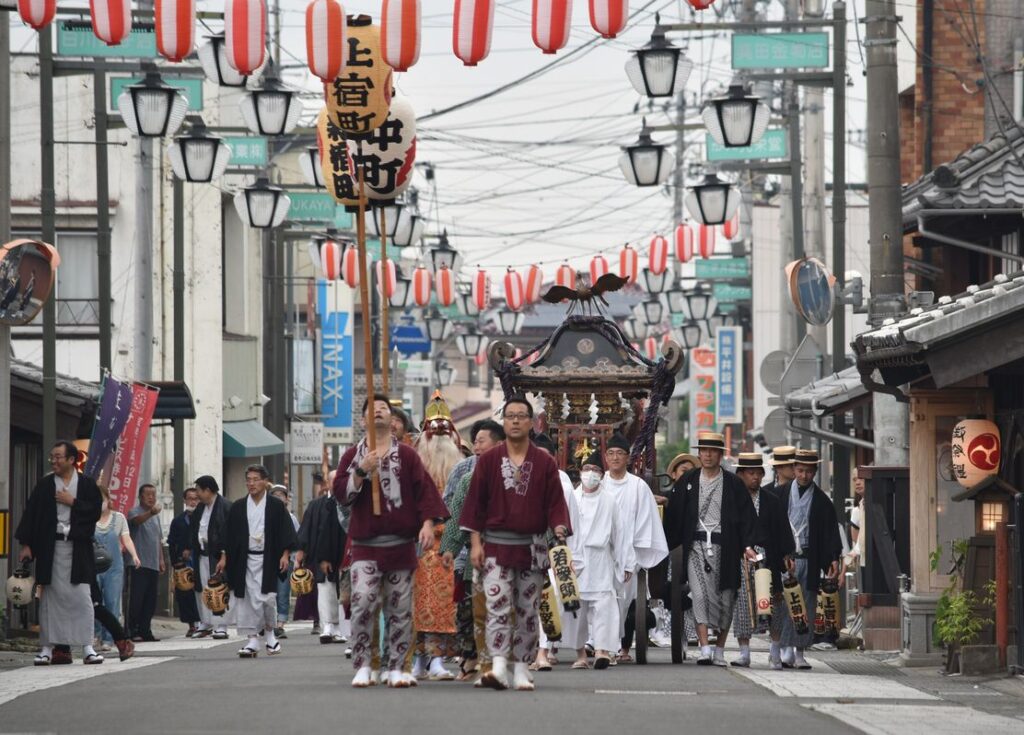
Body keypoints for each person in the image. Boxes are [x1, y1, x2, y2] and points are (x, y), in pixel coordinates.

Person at [333, 393, 448, 689]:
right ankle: (363, 664)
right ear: (363, 420)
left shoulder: (408, 455)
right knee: (363, 603)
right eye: (374, 410)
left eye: (385, 409)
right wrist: (361, 471)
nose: (380, 413)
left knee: (399, 608)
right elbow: (341, 495)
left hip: (400, 545)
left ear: (392, 419)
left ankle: (396, 665)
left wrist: (426, 524)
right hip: (365, 546)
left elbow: (424, 493)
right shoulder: (352, 455)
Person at [459, 395, 572, 692]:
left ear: (531, 422)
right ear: (504, 421)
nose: (516, 421)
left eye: (522, 416)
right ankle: (498, 666)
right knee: (497, 604)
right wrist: (475, 543)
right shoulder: (489, 461)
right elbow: (475, 506)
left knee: (527, 609)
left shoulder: (545, 463)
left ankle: (522, 667)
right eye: (511, 416)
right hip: (495, 546)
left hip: (532, 547)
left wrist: (559, 525)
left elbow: (555, 503)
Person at [663, 431, 758, 666]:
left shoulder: (734, 483)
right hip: (695, 545)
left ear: (719, 454)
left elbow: (747, 517)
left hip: (726, 547)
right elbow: (675, 514)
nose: (707, 455)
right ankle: (704, 646)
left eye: (712, 451)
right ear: (699, 453)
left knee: (727, 598)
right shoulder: (688, 481)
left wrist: (747, 545)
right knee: (699, 595)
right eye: (703, 450)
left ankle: (719, 649)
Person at [16, 440, 103, 665]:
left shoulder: (86, 485)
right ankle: (46, 648)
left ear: (72, 460)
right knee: (50, 599)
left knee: (82, 597)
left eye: (58, 457)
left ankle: (87, 647)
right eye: (52, 457)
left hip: (78, 549)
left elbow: (94, 511)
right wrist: (27, 544)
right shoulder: (45, 485)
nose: (53, 461)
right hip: (50, 549)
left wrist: (72, 501)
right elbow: (31, 514)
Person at [439, 419, 505, 683]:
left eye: (482, 441)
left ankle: (502, 661)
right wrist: (449, 548)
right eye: (474, 441)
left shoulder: (516, 472)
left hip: (508, 553)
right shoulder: (466, 476)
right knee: (469, 611)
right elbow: (454, 514)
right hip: (472, 555)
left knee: (503, 610)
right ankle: (473, 658)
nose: (476, 446)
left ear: (499, 444)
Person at [601, 433, 669, 663]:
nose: (615, 458)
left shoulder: (638, 486)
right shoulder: (599, 485)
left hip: (629, 553)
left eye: (620, 453)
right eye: (611, 453)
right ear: (606, 457)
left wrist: (632, 552)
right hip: (602, 553)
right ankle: (602, 645)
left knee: (625, 599)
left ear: (628, 458)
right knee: (603, 599)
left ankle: (622, 646)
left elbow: (645, 520)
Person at [411, 391, 464, 680]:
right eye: (434, 432)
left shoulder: (460, 463)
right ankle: (419, 659)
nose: (439, 440)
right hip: (420, 543)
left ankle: (436, 660)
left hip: (449, 544)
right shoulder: (415, 464)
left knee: (445, 604)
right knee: (417, 603)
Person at [776, 449, 843, 670]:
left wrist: (833, 558)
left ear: (815, 472)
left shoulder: (822, 501)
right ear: (794, 469)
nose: (804, 475)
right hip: (786, 558)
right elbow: (771, 527)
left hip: (809, 558)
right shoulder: (780, 494)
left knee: (807, 605)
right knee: (786, 606)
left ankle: (801, 652)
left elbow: (829, 533)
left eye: (809, 471)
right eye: (800, 470)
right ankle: (785, 649)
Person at [224, 466, 298, 658]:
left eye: (256, 479)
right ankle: (252, 640)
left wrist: (285, 554)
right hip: (244, 559)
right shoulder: (238, 507)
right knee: (246, 600)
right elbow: (228, 537)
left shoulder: (275, 506)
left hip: (268, 558)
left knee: (267, 599)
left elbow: (286, 532)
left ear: (266, 481)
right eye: (248, 479)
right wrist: (224, 557)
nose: (251, 483)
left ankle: (271, 636)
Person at [729, 454, 794, 670]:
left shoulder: (772, 500)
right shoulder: (732, 500)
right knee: (743, 606)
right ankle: (744, 652)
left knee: (775, 605)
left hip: (769, 557)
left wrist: (787, 555)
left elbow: (784, 531)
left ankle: (775, 650)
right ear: (740, 475)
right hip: (741, 557)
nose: (755, 478)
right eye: (750, 473)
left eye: (758, 473)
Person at [570, 450, 633, 670]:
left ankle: (602, 651)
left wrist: (626, 562)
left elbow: (621, 534)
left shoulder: (610, 501)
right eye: (587, 469)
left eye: (596, 470)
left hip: (601, 559)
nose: (591, 474)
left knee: (604, 606)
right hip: (576, 559)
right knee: (577, 610)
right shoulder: (572, 498)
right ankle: (580, 654)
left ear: (602, 474)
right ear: (580, 473)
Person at [531, 433, 582, 672]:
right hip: (525, 546)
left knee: (549, 600)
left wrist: (571, 555)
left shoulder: (561, 482)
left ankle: (543, 650)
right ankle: (538, 649)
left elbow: (570, 520)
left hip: (554, 549)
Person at [296, 477, 347, 644]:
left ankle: (340, 628)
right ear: (327, 483)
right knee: (325, 591)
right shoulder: (316, 504)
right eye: (333, 479)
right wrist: (301, 552)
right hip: (321, 553)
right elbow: (306, 528)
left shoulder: (348, 502)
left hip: (344, 553)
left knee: (344, 593)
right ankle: (327, 626)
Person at [93, 484, 141, 652]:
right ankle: (95, 635)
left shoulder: (119, 518)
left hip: (114, 567)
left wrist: (134, 555)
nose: (100, 503)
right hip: (94, 567)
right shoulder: (89, 519)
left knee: (112, 602)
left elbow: (126, 539)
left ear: (108, 499)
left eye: (102, 499)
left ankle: (109, 638)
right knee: (95, 603)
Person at [191, 475, 232, 639]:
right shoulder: (200, 508)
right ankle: (206, 622)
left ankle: (222, 624)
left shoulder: (226, 506)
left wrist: (224, 556)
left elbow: (230, 534)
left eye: (199, 491)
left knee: (219, 588)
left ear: (208, 490)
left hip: (218, 554)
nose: (197, 495)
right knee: (203, 588)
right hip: (202, 553)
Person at [128, 484, 165, 642]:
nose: (151, 497)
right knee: (137, 598)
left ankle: (145, 630)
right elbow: (136, 522)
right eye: (148, 494)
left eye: (153, 494)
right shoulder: (135, 512)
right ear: (140, 497)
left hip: (153, 563)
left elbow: (158, 539)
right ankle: (133, 629)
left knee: (151, 600)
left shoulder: (156, 517)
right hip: (138, 563)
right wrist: (150, 512)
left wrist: (161, 560)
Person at [168, 487, 202, 637]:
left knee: (202, 592)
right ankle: (191, 625)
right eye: (190, 498)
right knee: (186, 593)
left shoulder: (204, 517)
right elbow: (172, 542)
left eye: (196, 498)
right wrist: (175, 561)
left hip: (201, 559)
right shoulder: (178, 521)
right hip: (184, 564)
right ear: (185, 500)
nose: (193, 501)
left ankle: (205, 623)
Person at [269, 484, 300, 639]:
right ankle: (268, 623)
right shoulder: (264, 515)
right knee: (268, 593)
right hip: (267, 559)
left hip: (285, 560)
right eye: (275, 494)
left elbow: (296, 540)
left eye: (281, 495)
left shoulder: (291, 518)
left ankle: (280, 624)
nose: (278, 497)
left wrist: (293, 559)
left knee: (282, 592)